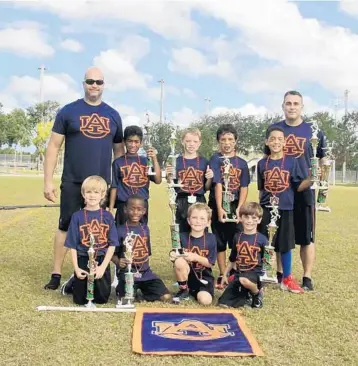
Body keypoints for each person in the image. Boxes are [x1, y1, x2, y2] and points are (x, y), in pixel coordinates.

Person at [43, 67, 124, 290]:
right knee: (66, 225)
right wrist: (47, 181)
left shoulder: (113, 115)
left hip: (101, 185)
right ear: (84, 83)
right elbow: (53, 147)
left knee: (100, 228)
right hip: (73, 180)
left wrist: (116, 185)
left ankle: (99, 270)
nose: (94, 85)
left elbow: (119, 153)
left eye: (99, 82)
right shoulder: (68, 112)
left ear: (104, 84)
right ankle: (57, 274)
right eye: (90, 81)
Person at [265, 91, 326, 291]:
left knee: (307, 236)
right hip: (281, 189)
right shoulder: (275, 129)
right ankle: (283, 274)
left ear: (302, 106)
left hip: (305, 187)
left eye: (296, 103)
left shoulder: (313, 130)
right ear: (283, 106)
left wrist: (323, 172)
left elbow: (322, 158)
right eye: (288, 103)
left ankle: (307, 276)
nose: (292, 107)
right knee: (283, 234)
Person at [258, 126, 313, 293]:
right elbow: (261, 189)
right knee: (265, 243)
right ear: (267, 141)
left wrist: (313, 178)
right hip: (267, 208)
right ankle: (263, 273)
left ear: (284, 142)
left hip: (286, 207)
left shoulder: (292, 161)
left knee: (286, 243)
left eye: (279, 139)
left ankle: (287, 278)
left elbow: (298, 186)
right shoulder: (262, 163)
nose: (276, 142)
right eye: (272, 139)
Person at [63, 176, 119, 305]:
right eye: (88, 192)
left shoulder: (108, 216)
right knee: (79, 300)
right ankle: (72, 282)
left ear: (102, 195)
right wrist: (76, 268)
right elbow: (72, 245)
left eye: (96, 192)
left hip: (101, 259)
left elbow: (112, 245)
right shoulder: (77, 216)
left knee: (101, 299)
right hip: (83, 257)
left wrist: (103, 267)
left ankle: (99, 278)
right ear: (83, 194)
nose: (92, 196)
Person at [208, 124, 250, 288]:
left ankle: (235, 272)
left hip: (235, 205)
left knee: (237, 240)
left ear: (236, 141)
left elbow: (244, 187)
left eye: (230, 139)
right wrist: (219, 208)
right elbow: (218, 183)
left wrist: (240, 207)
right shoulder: (215, 159)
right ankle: (222, 273)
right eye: (223, 140)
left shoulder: (242, 163)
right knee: (220, 241)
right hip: (218, 204)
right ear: (218, 142)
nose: (227, 143)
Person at [113, 194, 171, 303]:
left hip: (145, 273)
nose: (135, 212)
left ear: (144, 211)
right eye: (132, 209)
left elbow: (146, 253)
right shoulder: (119, 230)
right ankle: (124, 289)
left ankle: (142, 296)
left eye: (139, 209)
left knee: (166, 297)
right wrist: (117, 261)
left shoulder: (145, 229)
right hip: (127, 273)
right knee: (126, 299)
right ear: (125, 210)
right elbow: (111, 252)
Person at [108, 125, 161, 226]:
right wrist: (111, 208)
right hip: (123, 205)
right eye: (130, 141)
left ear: (141, 143)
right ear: (124, 142)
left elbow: (158, 180)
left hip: (141, 205)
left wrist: (154, 159)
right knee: (121, 235)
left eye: (136, 142)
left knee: (140, 236)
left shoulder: (146, 161)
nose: (133, 145)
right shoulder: (118, 162)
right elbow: (114, 186)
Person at [218, 202, 267, 309]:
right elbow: (232, 259)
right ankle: (245, 295)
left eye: (254, 218)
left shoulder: (262, 239)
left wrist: (269, 263)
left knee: (244, 280)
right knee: (223, 302)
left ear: (259, 220)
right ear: (240, 218)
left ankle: (256, 293)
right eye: (246, 217)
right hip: (239, 274)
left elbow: (266, 261)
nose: (250, 221)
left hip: (255, 274)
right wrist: (225, 275)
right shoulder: (237, 237)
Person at [166, 128, 214, 232]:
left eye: (195, 141)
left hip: (199, 199)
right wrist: (169, 175)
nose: (191, 144)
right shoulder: (176, 161)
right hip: (181, 200)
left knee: (200, 233)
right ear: (182, 141)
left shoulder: (204, 161)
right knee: (182, 233)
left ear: (200, 143)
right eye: (188, 141)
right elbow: (171, 185)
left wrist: (209, 178)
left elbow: (206, 187)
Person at [171, 203, 217, 305]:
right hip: (187, 275)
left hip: (203, 277)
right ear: (188, 220)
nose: (197, 221)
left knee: (205, 301)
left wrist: (195, 257)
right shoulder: (181, 237)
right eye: (194, 217)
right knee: (179, 261)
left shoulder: (211, 238)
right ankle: (184, 289)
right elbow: (175, 255)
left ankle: (194, 291)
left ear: (208, 222)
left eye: (202, 218)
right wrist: (173, 255)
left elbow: (210, 263)